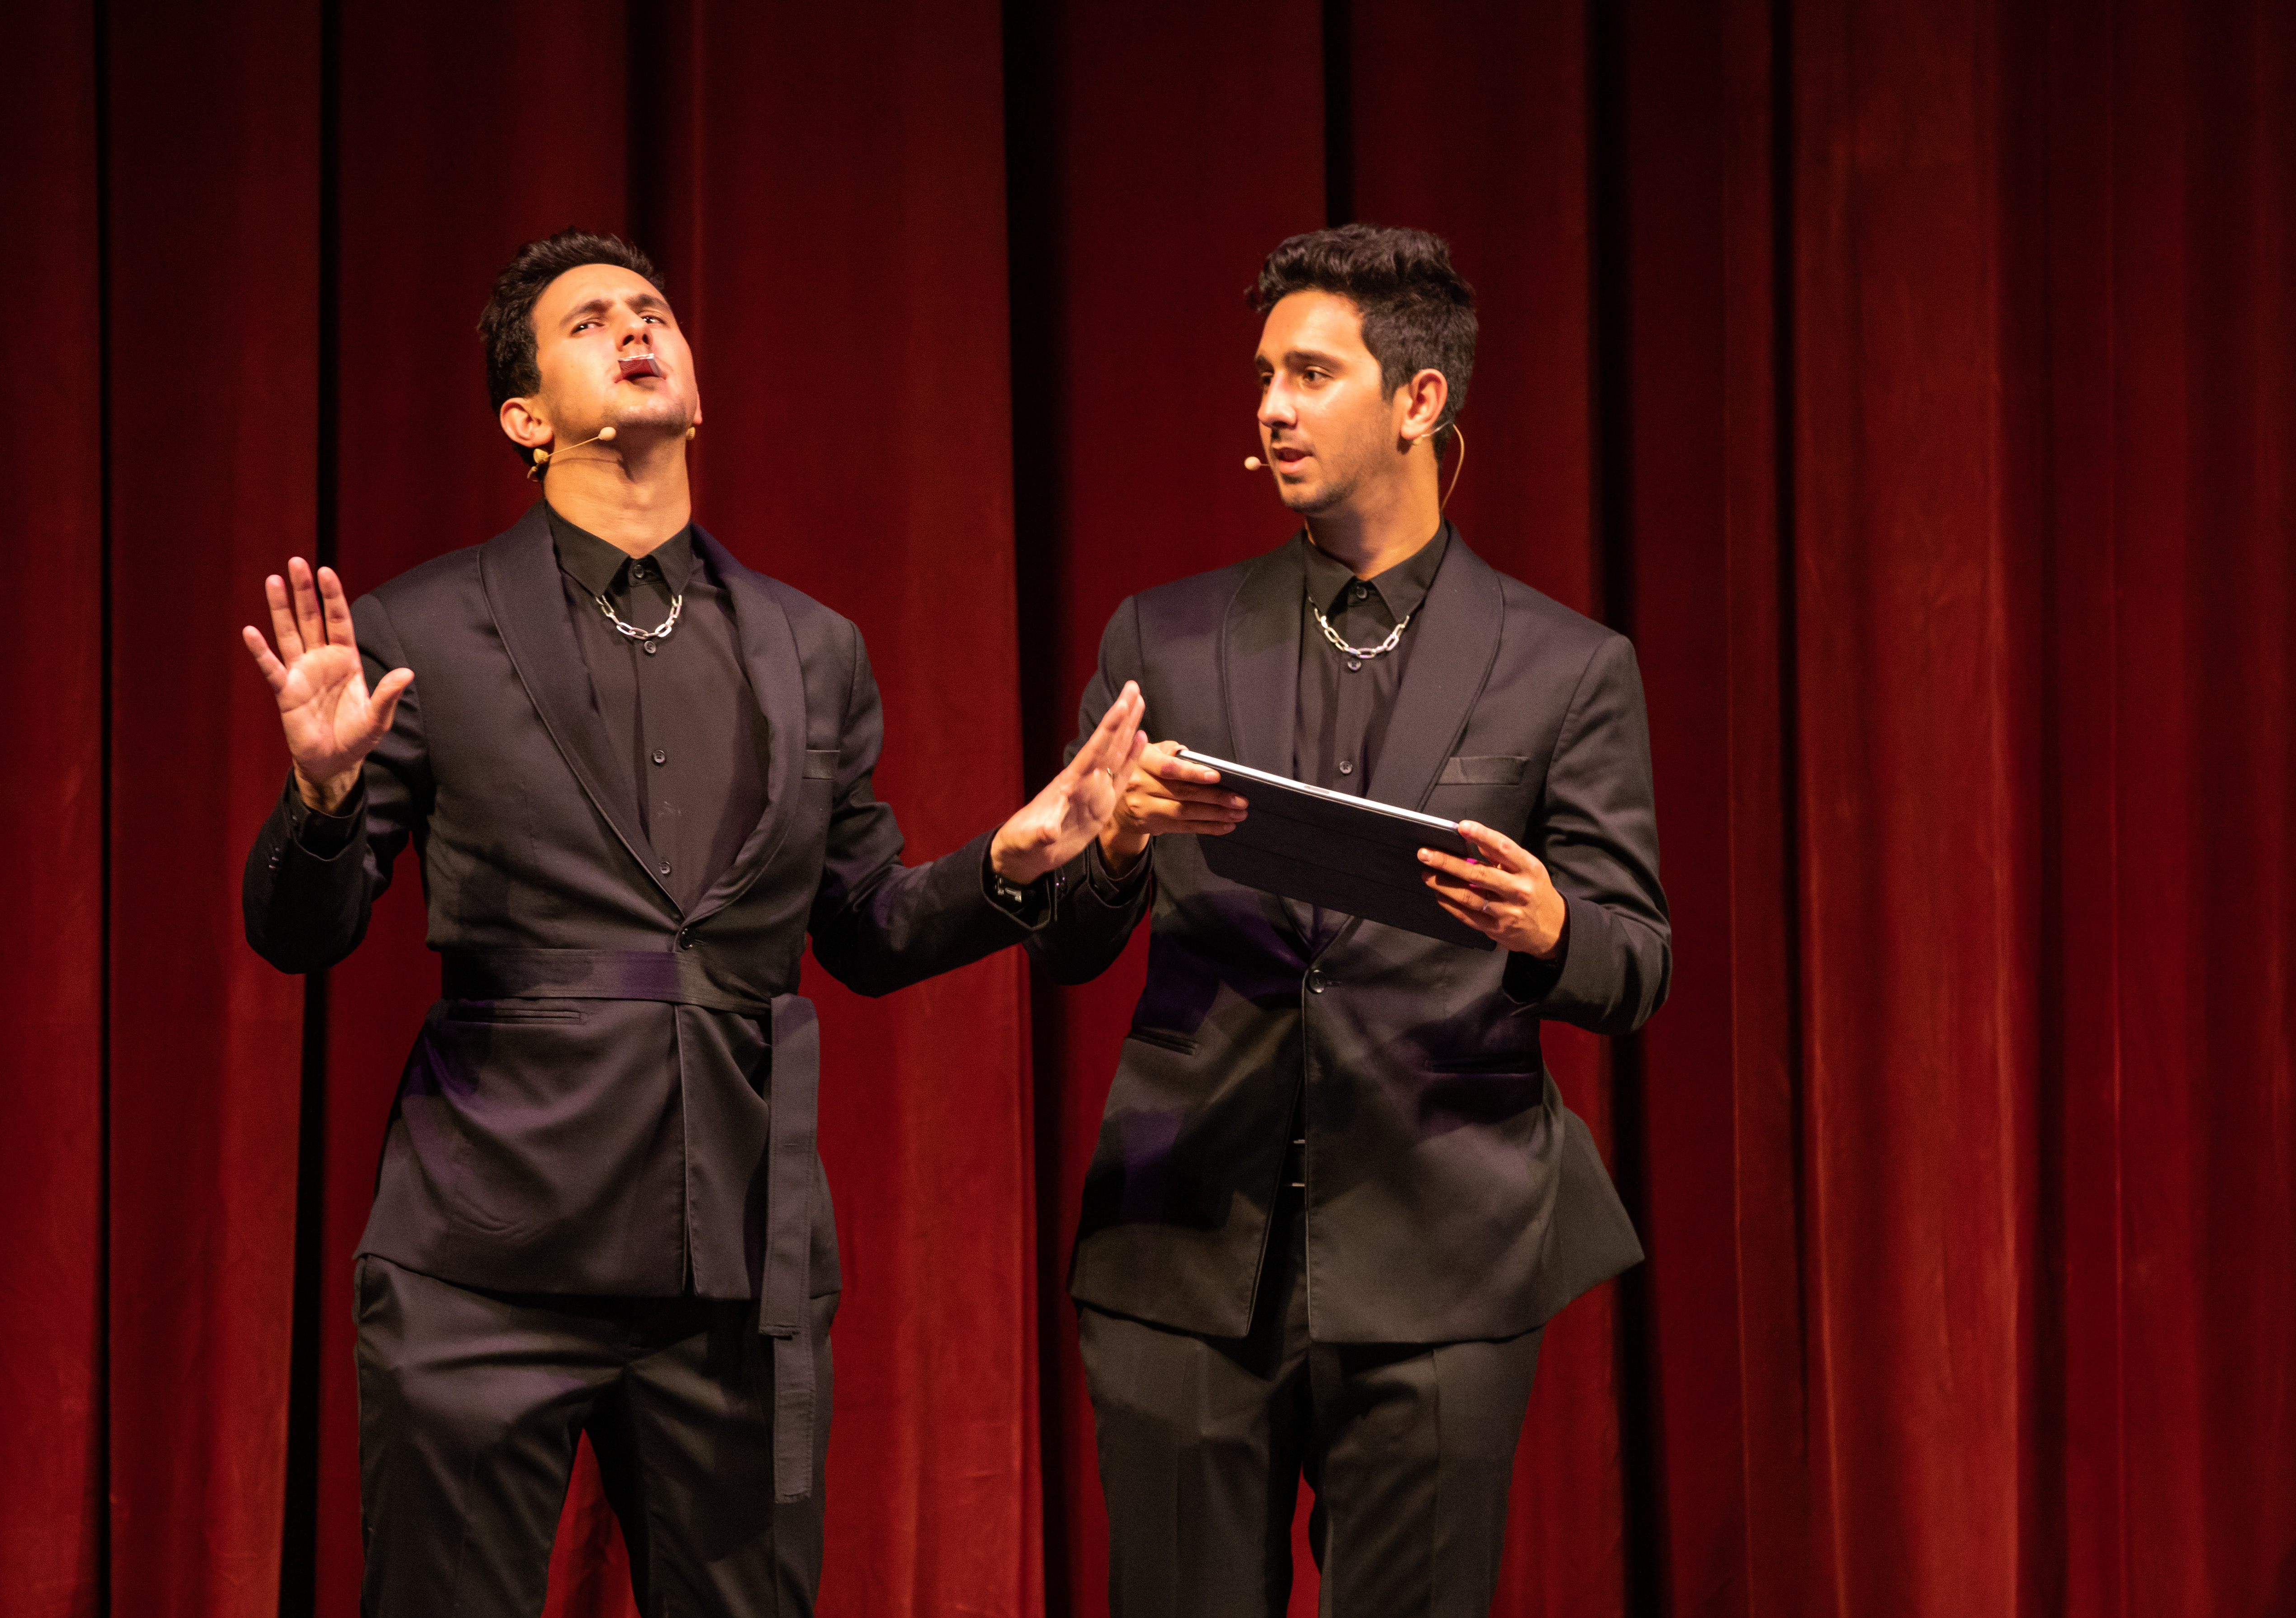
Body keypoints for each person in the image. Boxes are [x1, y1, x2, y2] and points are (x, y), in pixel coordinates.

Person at [239, 228, 1145, 1618]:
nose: (636, 327)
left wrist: (1012, 861)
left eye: (652, 308)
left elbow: (865, 928)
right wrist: (317, 792)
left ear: (697, 386)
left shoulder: (809, 647)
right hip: (485, 1248)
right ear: (525, 418)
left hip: (736, 1257)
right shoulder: (421, 625)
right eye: (590, 320)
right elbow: (305, 933)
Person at [1029, 224, 1672, 1616]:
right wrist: (1114, 850)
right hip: (1184, 1240)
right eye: (1264, 373)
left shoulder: (1564, 668)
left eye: (1310, 373)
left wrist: (1555, 923)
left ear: (1418, 403)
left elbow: (1636, 965)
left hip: (1439, 1251)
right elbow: (1068, 943)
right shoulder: (1166, 640)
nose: (1269, 406)